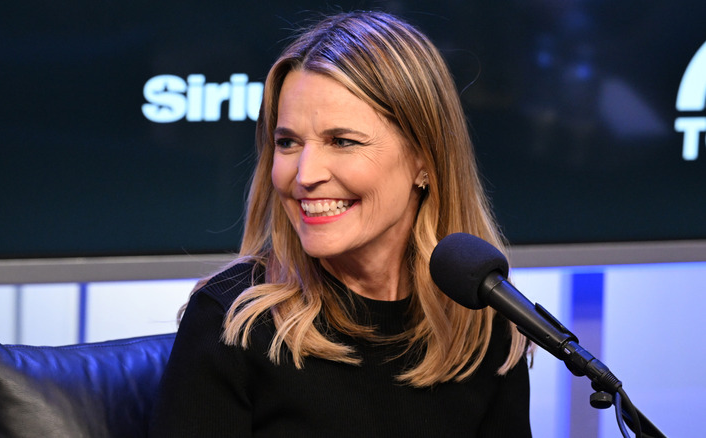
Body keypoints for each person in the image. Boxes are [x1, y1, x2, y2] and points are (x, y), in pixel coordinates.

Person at [149, 10, 531, 437]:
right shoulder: (231, 320)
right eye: (288, 142)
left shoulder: (483, 321)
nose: (305, 174)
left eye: (342, 141)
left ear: (424, 160)